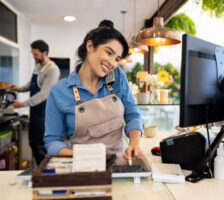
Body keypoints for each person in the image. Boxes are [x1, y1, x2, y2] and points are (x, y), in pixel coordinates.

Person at [44, 20, 144, 159]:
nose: (112, 63)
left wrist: (134, 144)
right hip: (81, 167)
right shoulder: (58, 91)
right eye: (109, 53)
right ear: (90, 46)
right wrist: (82, 156)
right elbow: (52, 141)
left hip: (117, 167)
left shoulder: (117, 78)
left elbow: (133, 115)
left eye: (117, 59)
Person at [10, 40, 60, 165]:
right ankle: (41, 170)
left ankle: (47, 173)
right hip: (34, 111)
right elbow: (31, 84)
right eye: (33, 54)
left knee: (40, 145)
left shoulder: (52, 70)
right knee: (32, 142)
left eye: (36, 54)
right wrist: (19, 89)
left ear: (45, 53)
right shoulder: (38, 66)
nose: (34, 57)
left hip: (44, 112)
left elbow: (44, 94)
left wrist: (22, 104)